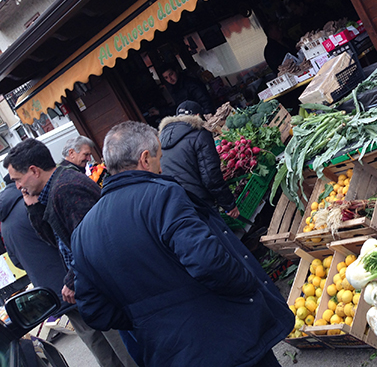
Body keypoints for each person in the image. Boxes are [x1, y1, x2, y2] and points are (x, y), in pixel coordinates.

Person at [71, 121, 293, 366]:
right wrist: (247, 284)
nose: (160, 166)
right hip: (226, 339)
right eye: (158, 158)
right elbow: (209, 262)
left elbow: (93, 309)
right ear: (145, 159)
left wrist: (144, 318)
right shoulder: (162, 196)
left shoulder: (82, 234)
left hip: (164, 353)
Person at [3, 140, 136, 367]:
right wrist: (32, 206)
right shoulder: (54, 189)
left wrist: (72, 279)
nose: (17, 186)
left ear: (34, 171)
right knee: (108, 346)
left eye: (17, 179)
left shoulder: (66, 189)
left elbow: (89, 243)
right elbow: (54, 240)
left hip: (104, 285)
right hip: (88, 285)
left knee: (124, 347)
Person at [159, 100, 239, 217]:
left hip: (174, 203)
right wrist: (229, 204)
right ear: (197, 116)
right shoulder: (199, 134)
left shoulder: (161, 139)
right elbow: (211, 176)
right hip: (199, 202)